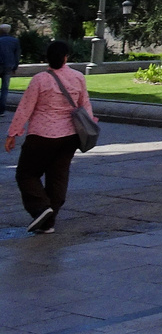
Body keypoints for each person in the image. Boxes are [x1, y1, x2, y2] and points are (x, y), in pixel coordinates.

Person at [5, 40, 95, 234]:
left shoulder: (40, 79)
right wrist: (90, 127)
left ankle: (40, 208)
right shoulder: (78, 77)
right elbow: (85, 106)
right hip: (69, 136)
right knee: (58, 177)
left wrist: (13, 133)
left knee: (26, 174)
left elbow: (25, 108)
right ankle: (49, 220)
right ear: (65, 57)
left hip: (41, 136)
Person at [0, 24, 19, 116]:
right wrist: (15, 67)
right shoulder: (14, 41)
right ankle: (1, 110)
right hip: (8, 66)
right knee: (5, 88)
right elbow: (17, 55)